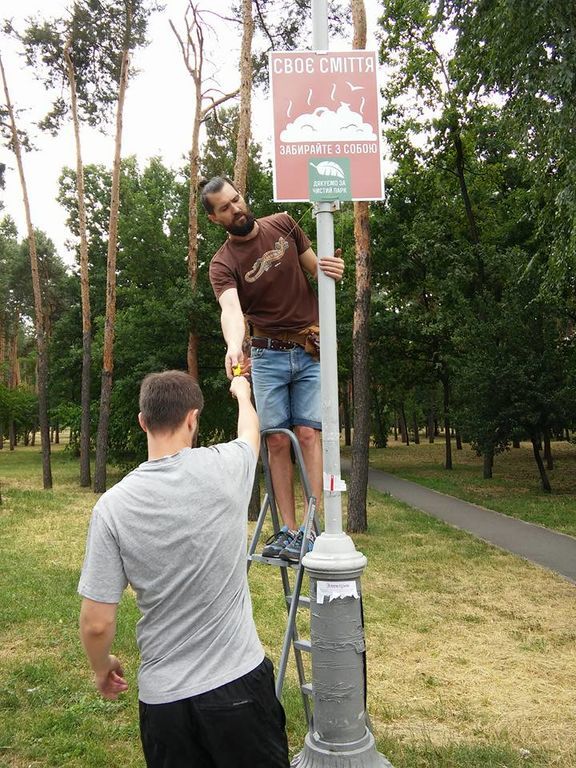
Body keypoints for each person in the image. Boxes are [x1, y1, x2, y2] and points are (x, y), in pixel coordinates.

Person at [78, 370, 290, 768]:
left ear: (143, 421)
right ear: (193, 419)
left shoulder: (112, 507)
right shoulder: (228, 468)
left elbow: (96, 623)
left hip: (164, 705)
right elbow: (251, 434)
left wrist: (101, 667)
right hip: (239, 688)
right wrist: (243, 394)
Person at [203, 176, 344, 562]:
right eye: (226, 208)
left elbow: (317, 269)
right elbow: (231, 310)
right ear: (215, 219)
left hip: (310, 348)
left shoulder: (283, 223)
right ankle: (288, 530)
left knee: (309, 435)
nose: (236, 209)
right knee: (277, 440)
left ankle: (314, 530)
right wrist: (235, 345)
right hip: (266, 356)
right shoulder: (223, 263)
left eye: (237, 200)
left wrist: (333, 268)